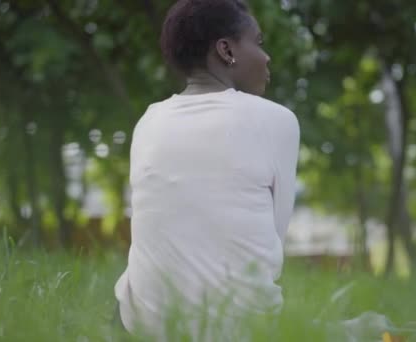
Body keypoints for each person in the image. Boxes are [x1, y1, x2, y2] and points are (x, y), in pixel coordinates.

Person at [113, 0, 300, 339]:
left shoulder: (148, 121)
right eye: (258, 43)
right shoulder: (277, 121)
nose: (266, 57)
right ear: (226, 50)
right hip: (245, 329)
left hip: (142, 329)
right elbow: (272, 245)